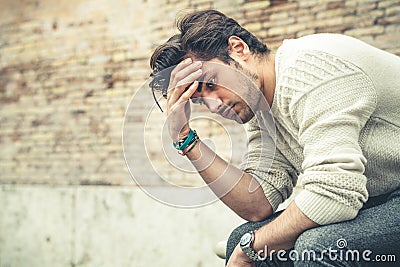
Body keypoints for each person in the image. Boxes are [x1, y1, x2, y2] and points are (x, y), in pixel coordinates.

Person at [149, 9, 400, 266]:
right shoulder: (262, 112)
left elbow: (335, 192)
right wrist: (185, 138)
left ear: (238, 48)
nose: (214, 107)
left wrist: (251, 248)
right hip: (381, 198)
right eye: (200, 99)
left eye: (211, 84)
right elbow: (257, 203)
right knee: (242, 237)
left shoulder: (309, 68)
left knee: (317, 248)